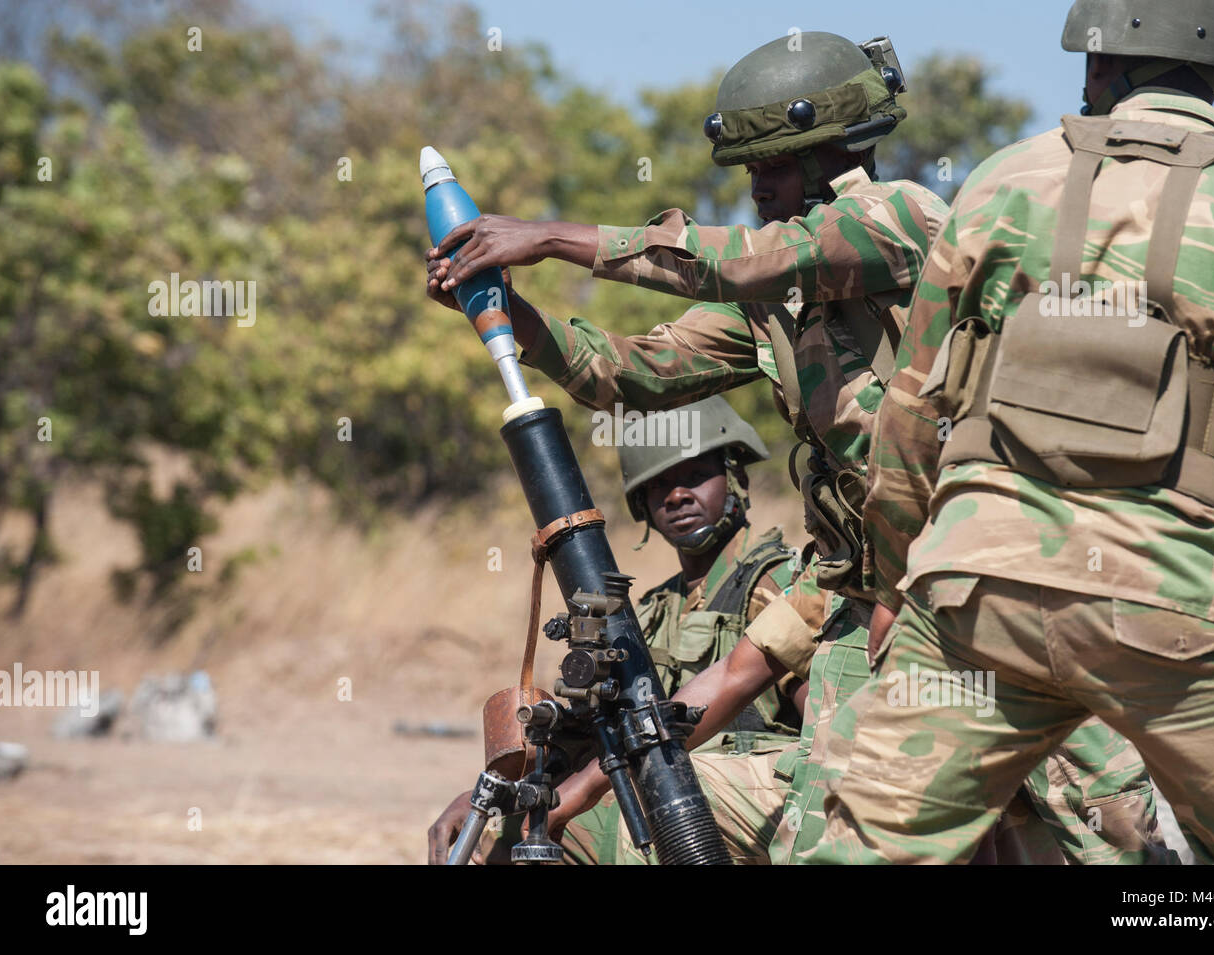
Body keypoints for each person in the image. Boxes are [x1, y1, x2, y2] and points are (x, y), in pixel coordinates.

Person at [427, 30, 1171, 864]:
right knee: (834, 837)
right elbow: (627, 373)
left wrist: (552, 236)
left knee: (1109, 837)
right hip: (865, 598)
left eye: (771, 171)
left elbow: (756, 260)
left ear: (826, 156)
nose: (758, 192)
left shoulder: (900, 221)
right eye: (751, 175)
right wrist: (507, 312)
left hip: (998, 585)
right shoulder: (772, 300)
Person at [809, 0, 1214, 864]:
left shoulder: (1000, 179)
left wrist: (893, 589)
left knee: (859, 850)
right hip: (1178, 603)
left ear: (1098, 64)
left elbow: (911, 416)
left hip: (974, 590)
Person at [427, 396, 805, 864]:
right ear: (642, 505)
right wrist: (500, 797)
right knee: (497, 838)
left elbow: (826, 728)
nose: (677, 496)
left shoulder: (779, 584)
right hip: (660, 775)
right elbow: (600, 735)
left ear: (736, 476)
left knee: (629, 820)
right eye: (659, 485)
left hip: (746, 794)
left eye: (694, 476)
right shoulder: (653, 608)